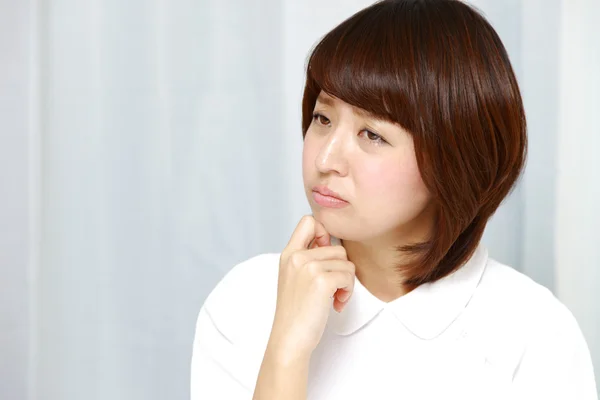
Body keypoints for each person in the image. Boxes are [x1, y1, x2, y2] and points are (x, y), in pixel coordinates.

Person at [190, 0, 598, 399]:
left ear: (455, 157)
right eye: (322, 118)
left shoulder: (536, 334)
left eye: (372, 134)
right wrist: (287, 351)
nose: (326, 158)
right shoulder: (246, 303)